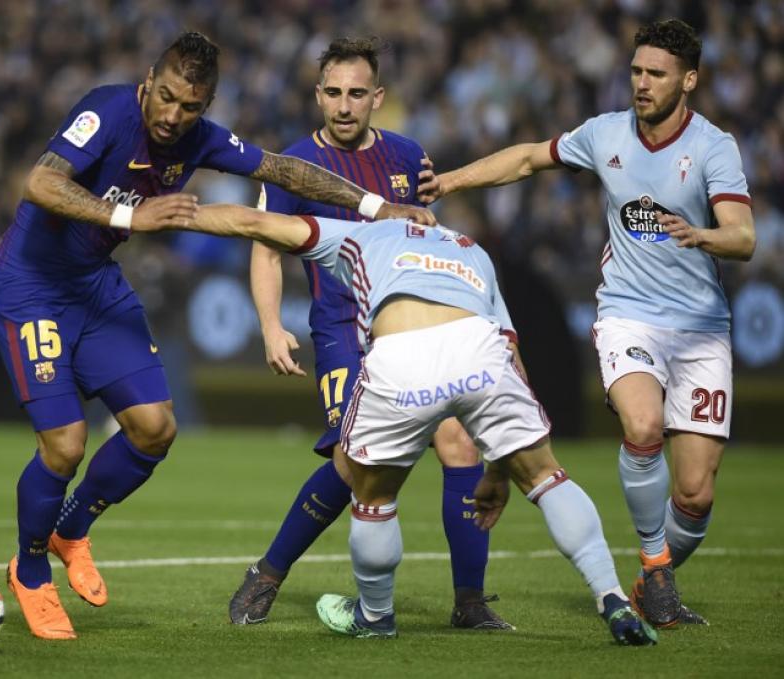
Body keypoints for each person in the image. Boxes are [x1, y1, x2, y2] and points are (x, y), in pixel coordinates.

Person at [0, 31, 433, 640]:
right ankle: (31, 572)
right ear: (149, 79)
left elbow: (284, 169)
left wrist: (381, 208)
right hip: (29, 285)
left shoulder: (200, 138)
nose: (172, 117)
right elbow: (40, 183)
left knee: (155, 429)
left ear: (207, 104)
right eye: (165, 97)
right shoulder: (107, 109)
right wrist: (129, 216)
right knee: (64, 445)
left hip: (93, 286)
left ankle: (71, 530)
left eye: (190, 107)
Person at [140, 201, 658, 646]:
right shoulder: (473, 250)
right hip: (479, 351)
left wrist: (179, 214)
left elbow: (254, 223)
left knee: (372, 495)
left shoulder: (363, 234)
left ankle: (375, 616)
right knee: (547, 476)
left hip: (402, 354)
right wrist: (500, 473)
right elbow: (510, 356)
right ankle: (612, 597)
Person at [426, 19, 756, 628]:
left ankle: (654, 575)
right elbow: (527, 159)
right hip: (628, 315)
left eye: (656, 74)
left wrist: (702, 234)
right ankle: (655, 562)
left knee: (695, 494)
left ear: (689, 80)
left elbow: (743, 237)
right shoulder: (605, 133)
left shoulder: (714, 147)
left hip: (702, 328)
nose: (642, 83)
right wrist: (451, 179)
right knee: (642, 422)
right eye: (635, 71)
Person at [230, 37, 509, 630]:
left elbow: (429, 240)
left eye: (357, 93)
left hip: (412, 329)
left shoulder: (409, 157)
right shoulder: (292, 165)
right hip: (341, 331)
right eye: (333, 92)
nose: (345, 105)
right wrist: (271, 326)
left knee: (459, 443)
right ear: (318, 95)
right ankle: (269, 572)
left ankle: (470, 603)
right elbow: (267, 249)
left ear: (377, 97)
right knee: (354, 463)